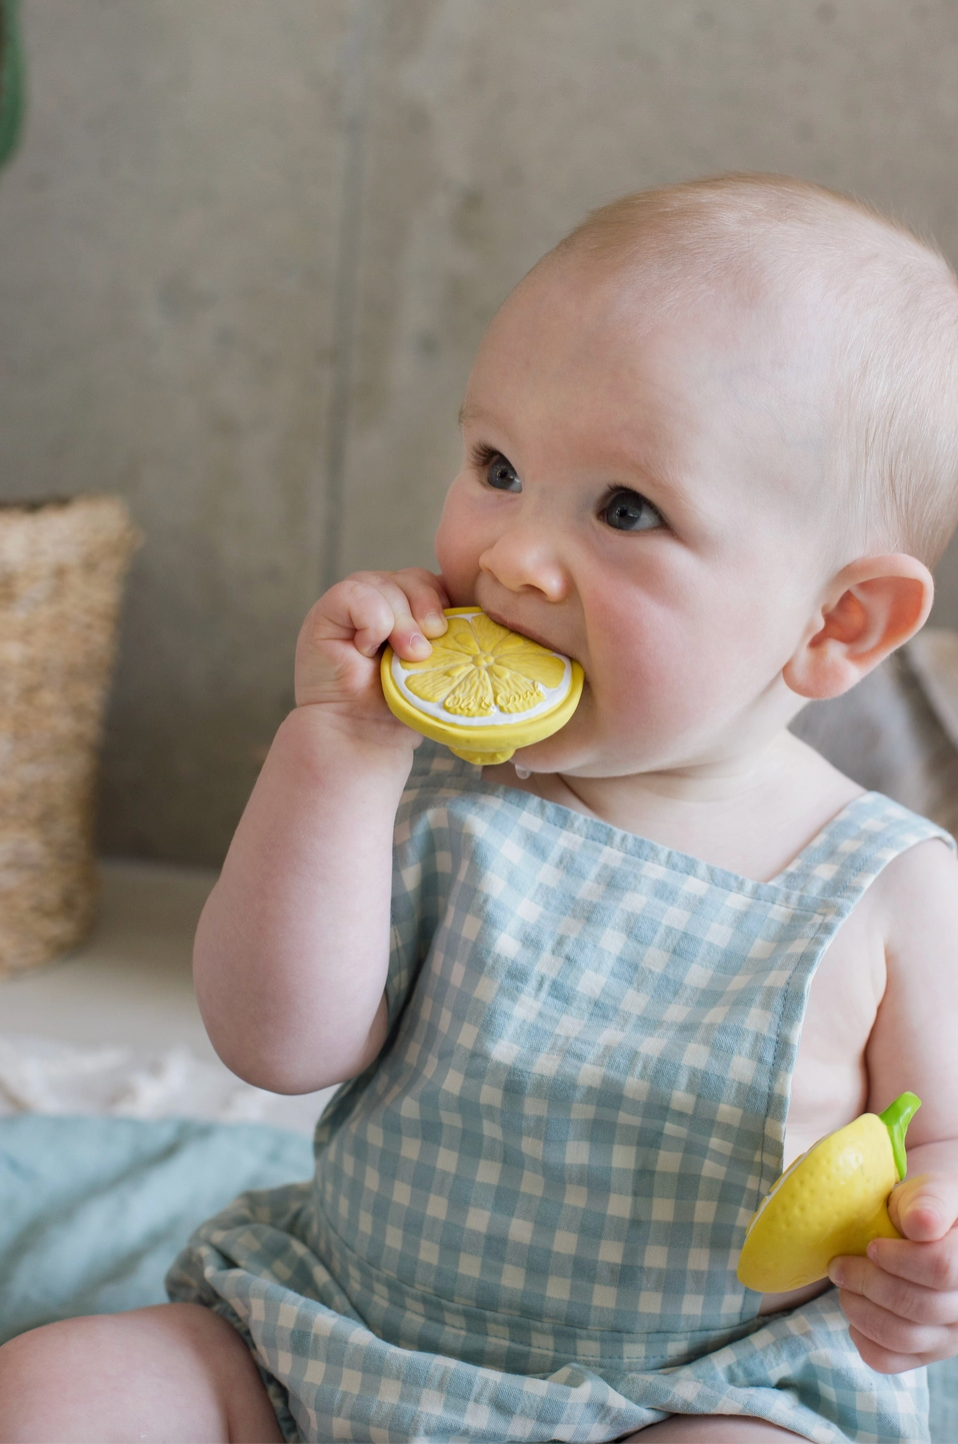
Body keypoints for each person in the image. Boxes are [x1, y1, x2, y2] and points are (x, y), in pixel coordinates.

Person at [3, 173, 958, 1444]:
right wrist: (334, 751)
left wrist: (927, 1258)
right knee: (61, 1386)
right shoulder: (429, 779)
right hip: (329, 1332)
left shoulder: (888, 887)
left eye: (627, 509)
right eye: (498, 466)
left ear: (838, 621)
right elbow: (273, 1043)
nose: (510, 554)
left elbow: (939, 1151)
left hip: (675, 1394)